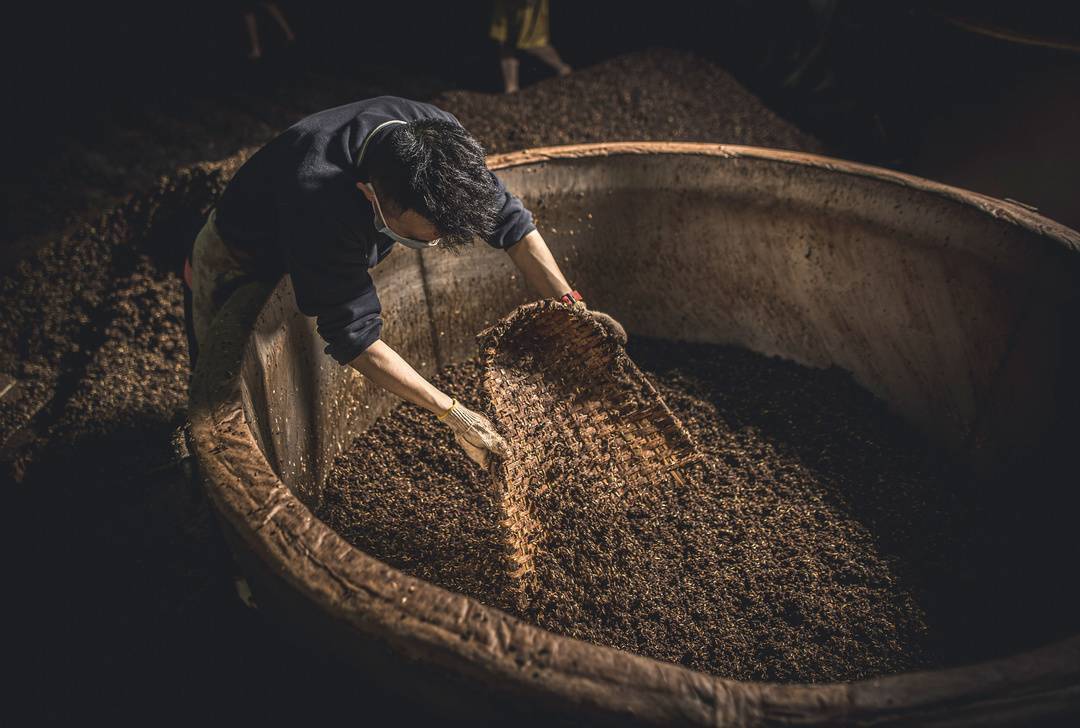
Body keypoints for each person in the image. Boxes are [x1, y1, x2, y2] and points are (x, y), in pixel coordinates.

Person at [186, 96, 624, 468]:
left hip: (320, 235)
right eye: (419, 237)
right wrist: (453, 414)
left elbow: (510, 223)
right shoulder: (319, 201)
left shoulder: (440, 144)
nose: (429, 245)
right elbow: (354, 335)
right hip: (241, 254)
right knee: (216, 394)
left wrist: (572, 308)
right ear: (370, 195)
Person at [490, 0, 572, 93]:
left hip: (529, 6)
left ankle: (563, 69)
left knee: (533, 42)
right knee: (505, 41)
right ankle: (511, 87)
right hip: (504, 5)